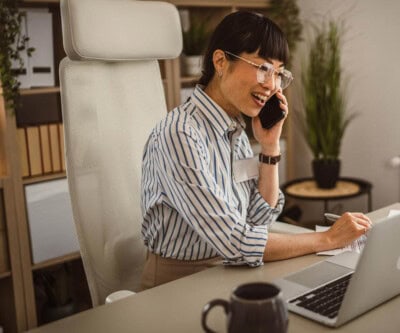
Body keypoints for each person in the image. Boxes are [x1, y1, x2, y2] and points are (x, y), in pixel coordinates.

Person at [140, 11, 372, 289]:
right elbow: (236, 241)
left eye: (278, 73)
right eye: (263, 68)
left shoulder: (234, 129)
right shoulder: (180, 134)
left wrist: (269, 146)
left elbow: (261, 217)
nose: (272, 86)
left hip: (232, 269)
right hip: (180, 282)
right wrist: (328, 239)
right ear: (221, 61)